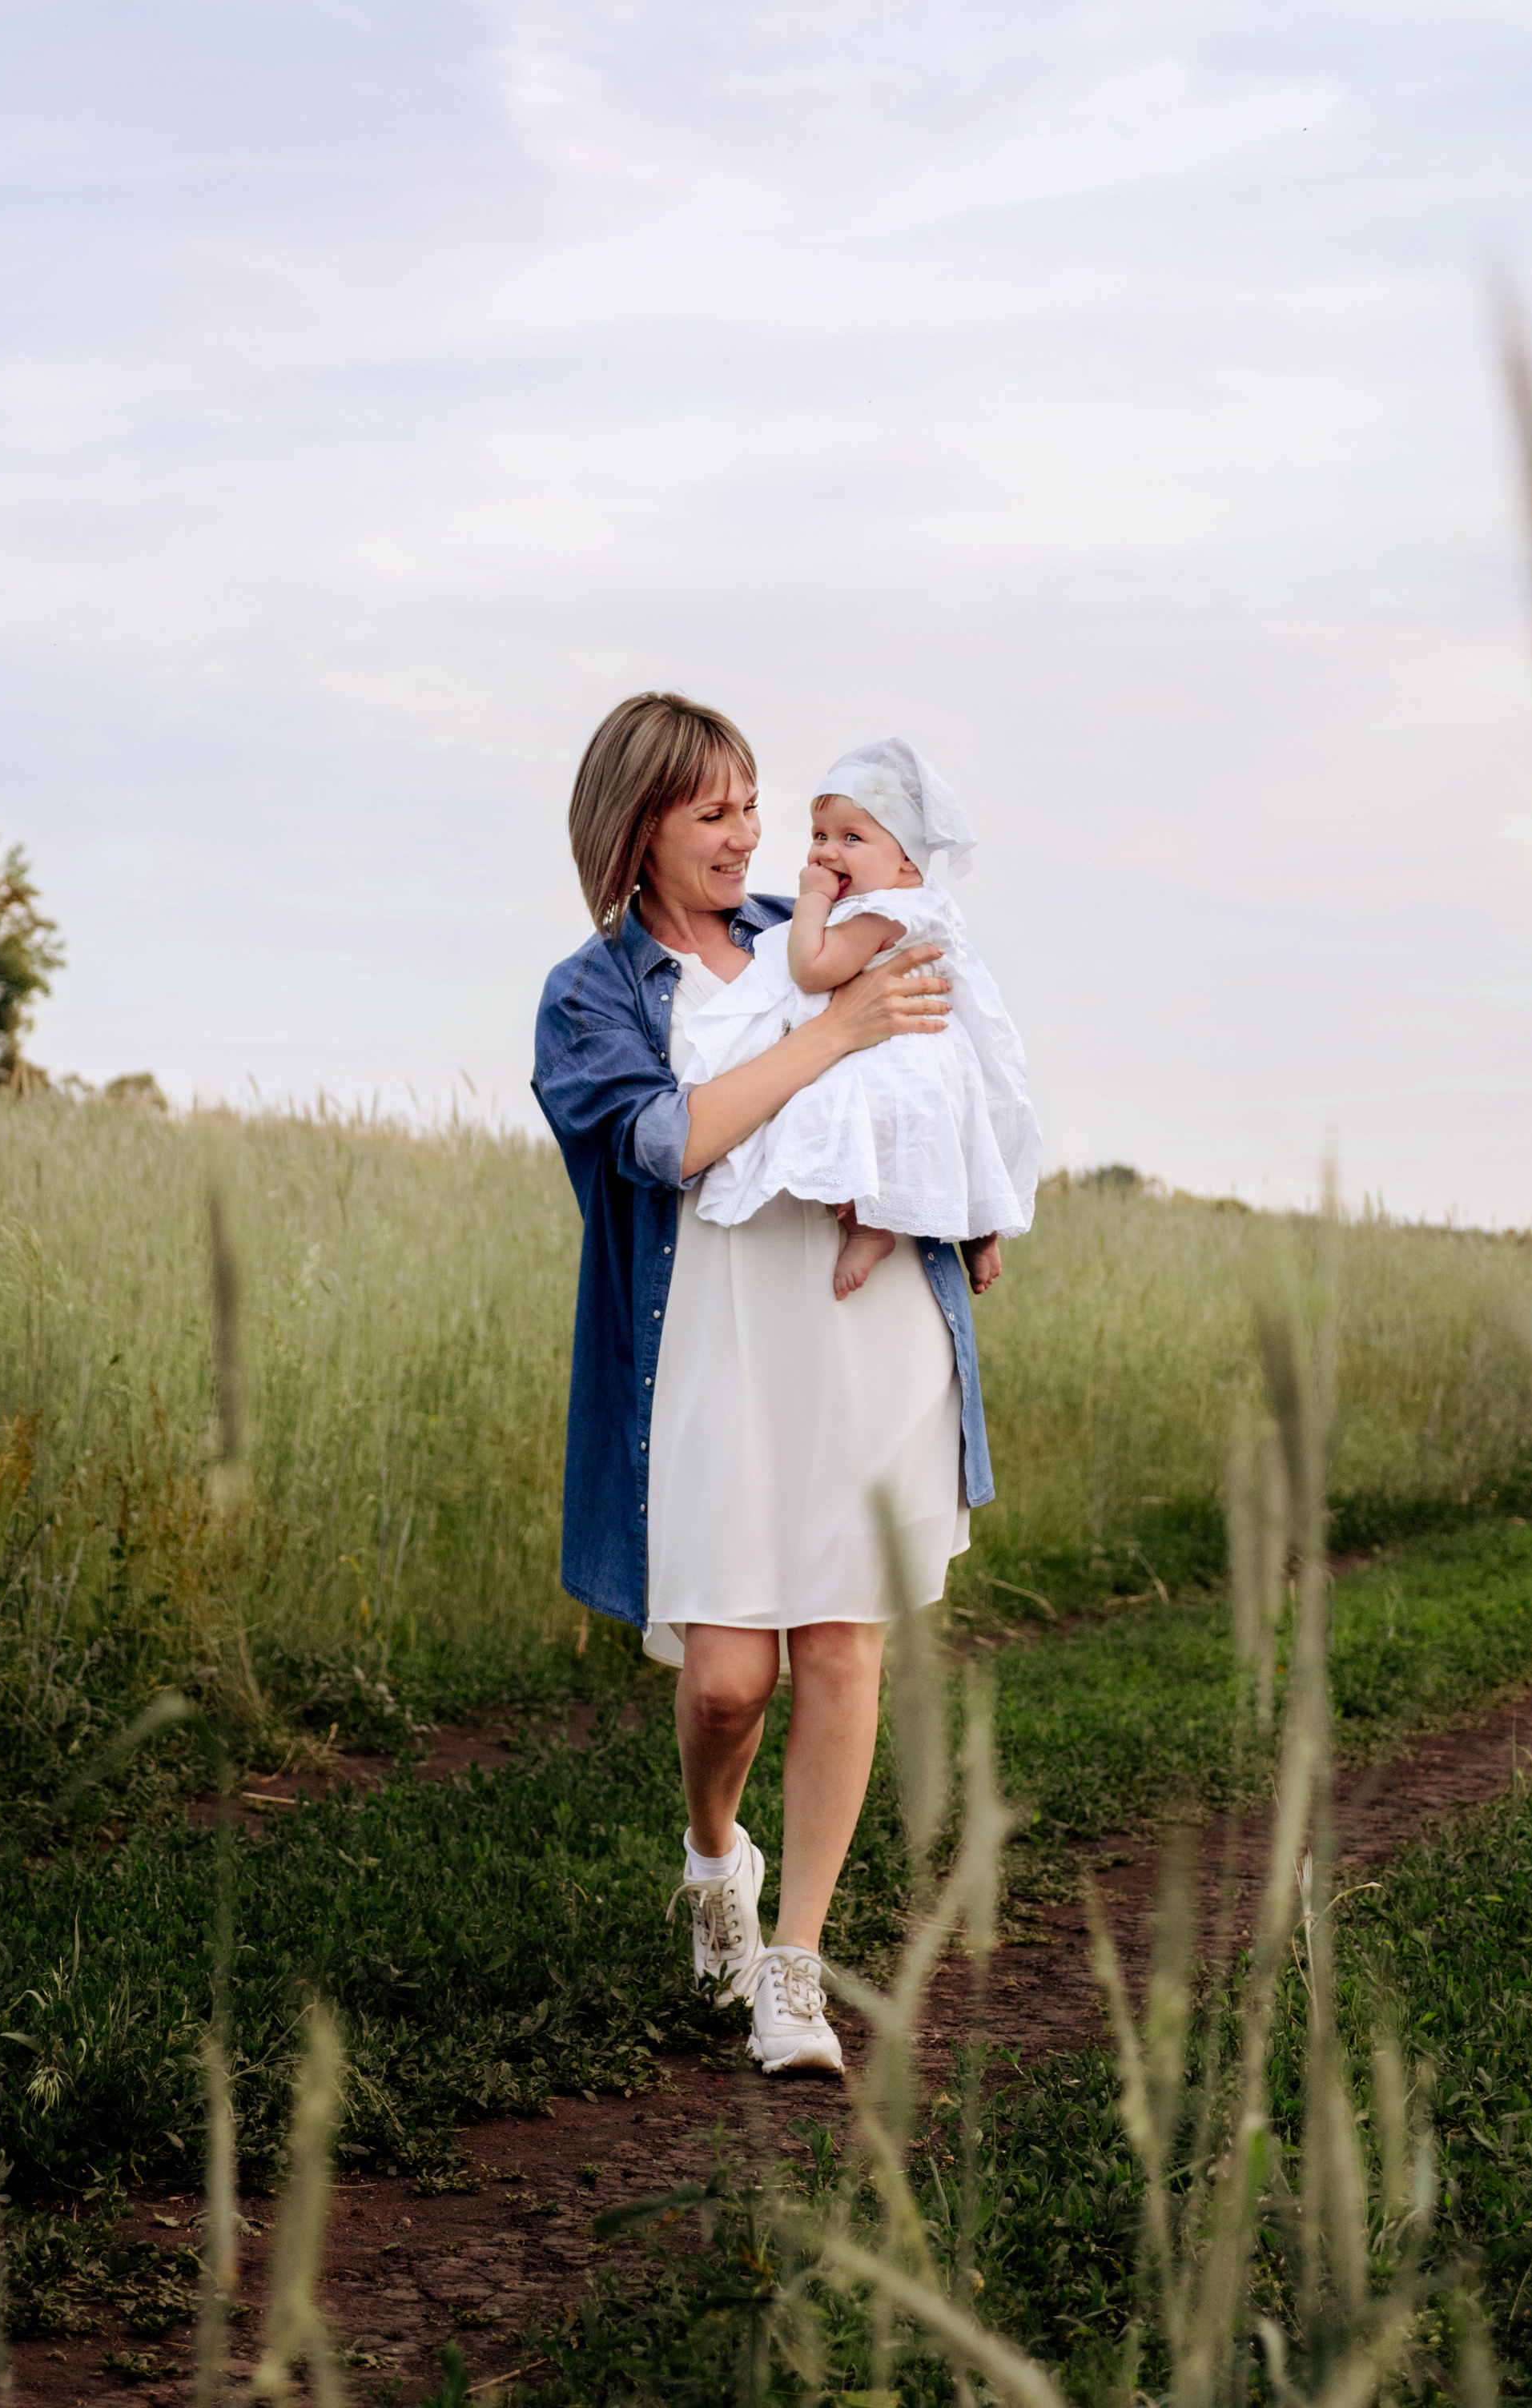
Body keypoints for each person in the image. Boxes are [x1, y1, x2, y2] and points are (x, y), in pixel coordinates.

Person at [531, 693, 999, 2076]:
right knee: (728, 1679)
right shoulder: (592, 995)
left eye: (753, 803)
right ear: (639, 830)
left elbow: (957, 1066)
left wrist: (968, 1214)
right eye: (713, 812)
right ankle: (713, 1859)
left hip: (860, 1323)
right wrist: (835, 1036)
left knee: (842, 1642)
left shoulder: (827, 929)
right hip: (714, 1346)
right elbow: (668, 1143)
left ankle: (796, 1967)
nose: (749, 834)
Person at [678, 738, 1040, 1301]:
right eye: (820, 836)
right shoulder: (923, 904)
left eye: (852, 838)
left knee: (834, 1122)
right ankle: (980, 1233)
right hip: (937, 1057)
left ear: (905, 860)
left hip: (894, 1058)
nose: (827, 852)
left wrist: (814, 902)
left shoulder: (880, 913)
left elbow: (813, 969)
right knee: (955, 1141)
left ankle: (868, 1227)